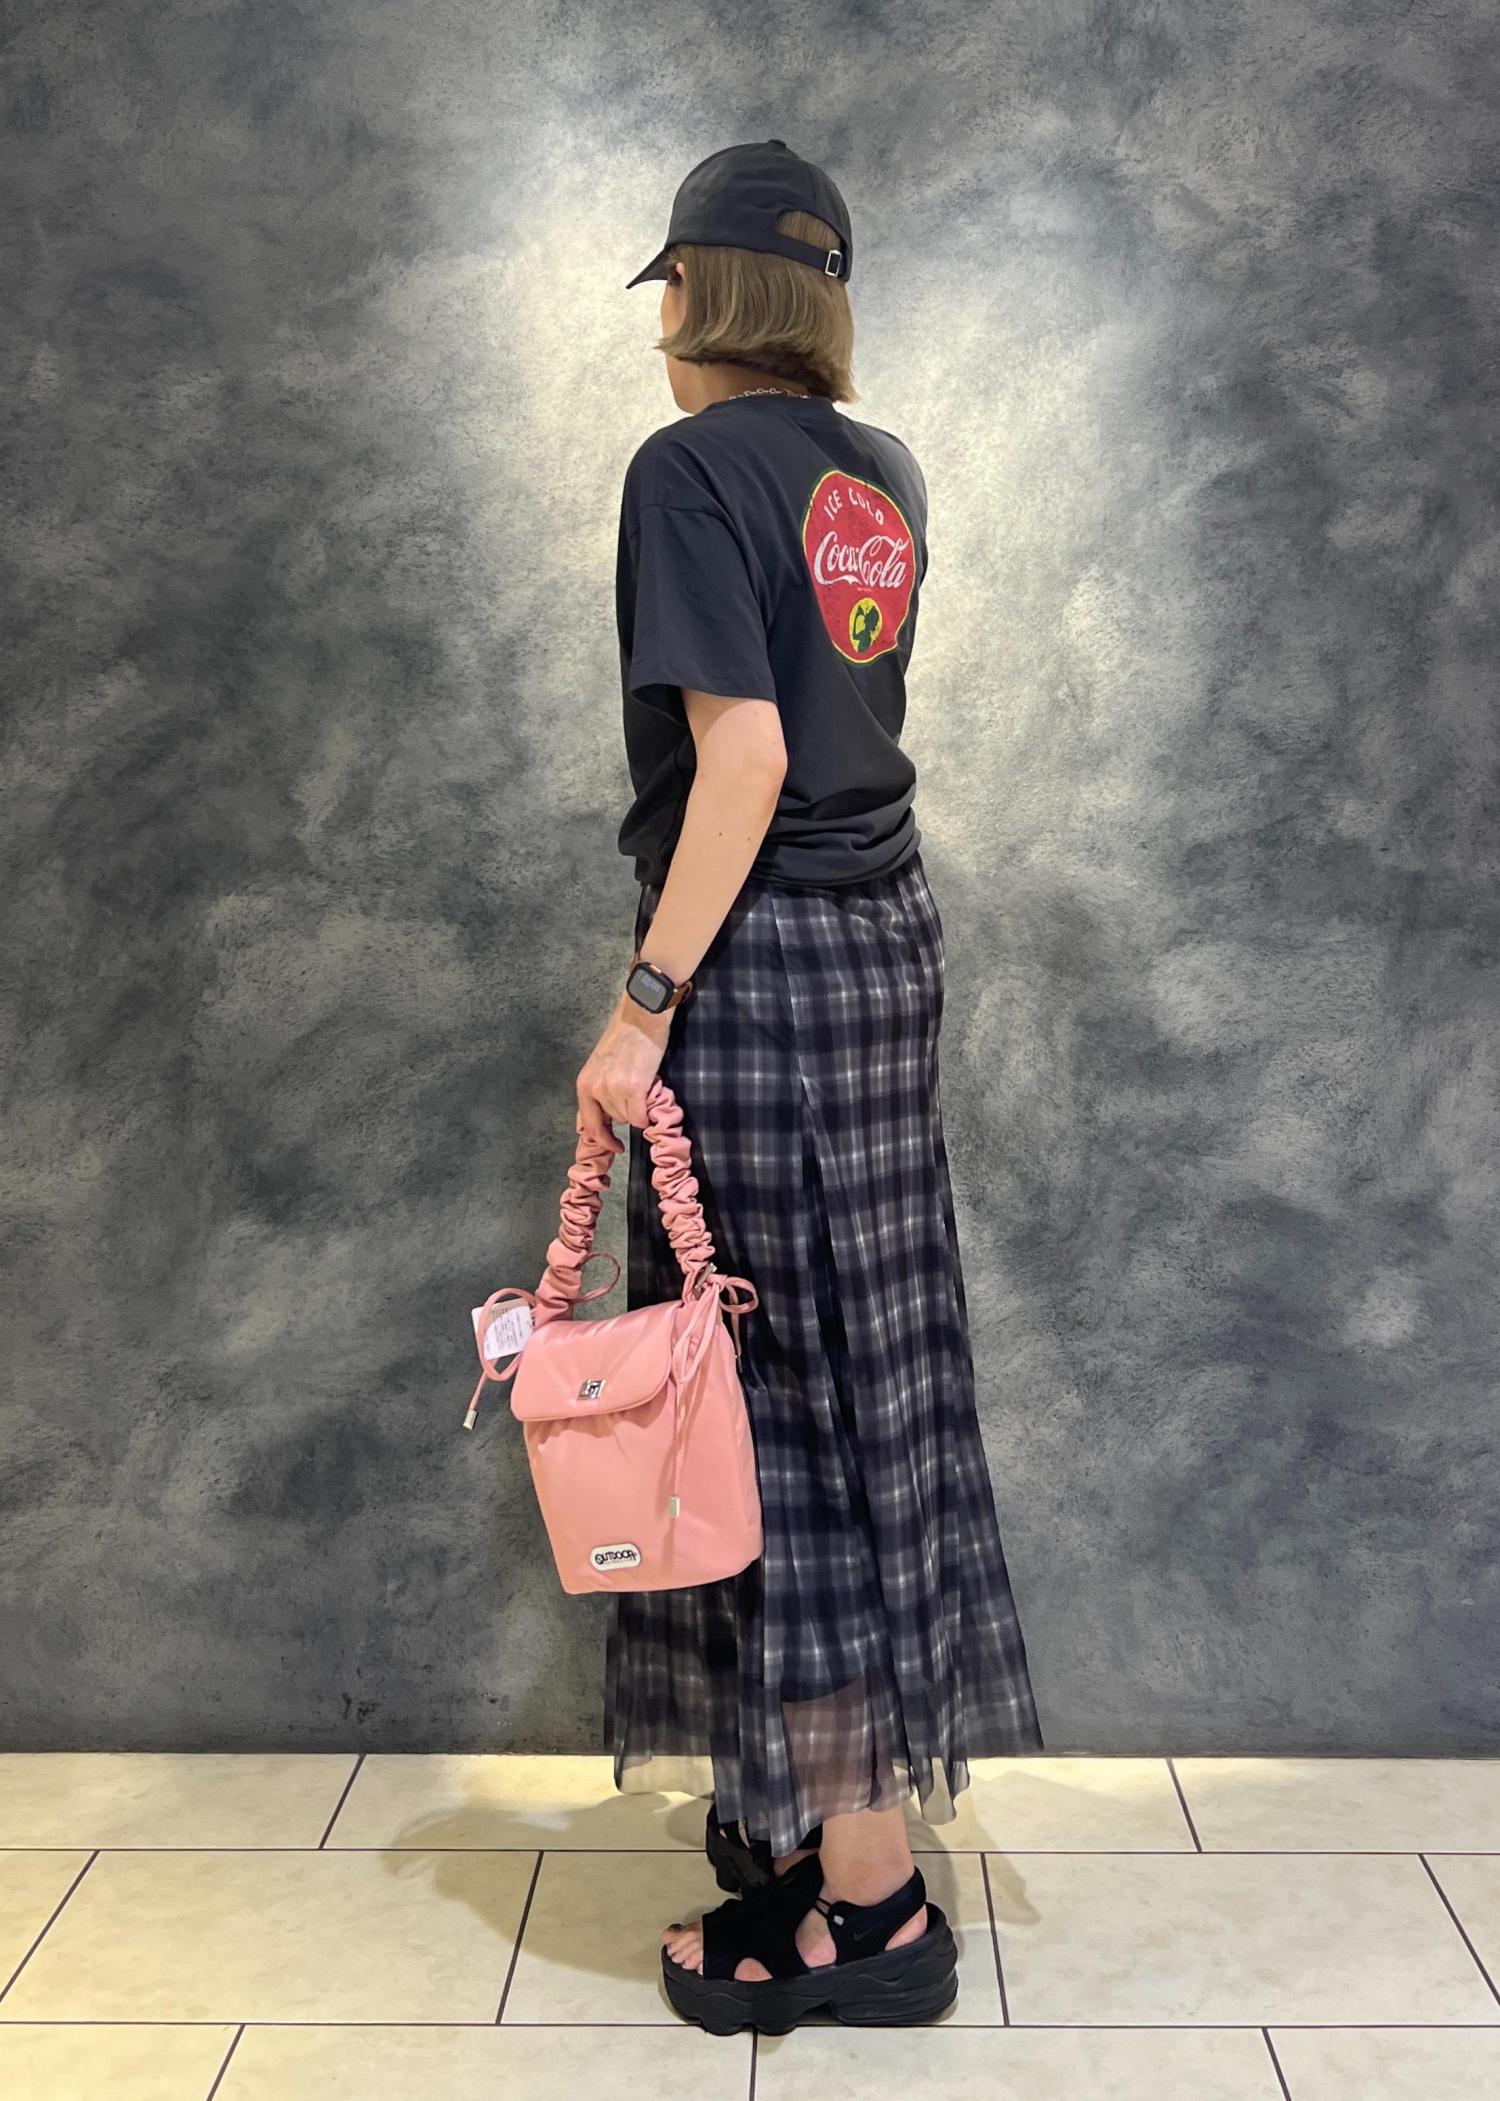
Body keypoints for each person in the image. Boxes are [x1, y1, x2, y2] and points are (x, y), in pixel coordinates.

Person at [574, 139, 1044, 2034]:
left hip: (760, 963)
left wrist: (641, 1006)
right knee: (860, 1387)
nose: (663, 326)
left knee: (771, 1413)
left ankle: (869, 1905)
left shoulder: (687, 470)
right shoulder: (883, 473)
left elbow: (748, 756)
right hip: (885, 946)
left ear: (699, 291)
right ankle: (822, 1822)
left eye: (669, 291)